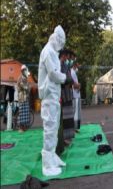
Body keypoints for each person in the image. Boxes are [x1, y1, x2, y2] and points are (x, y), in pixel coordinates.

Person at [38, 25, 69, 176]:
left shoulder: (53, 53)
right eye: (61, 43)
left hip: (54, 96)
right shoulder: (48, 52)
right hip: (49, 96)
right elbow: (53, 74)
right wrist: (65, 77)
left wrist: (61, 76)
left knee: (55, 127)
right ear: (56, 38)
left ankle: (52, 157)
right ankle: (47, 165)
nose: (62, 47)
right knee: (50, 128)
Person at [17, 65, 30, 132]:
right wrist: (27, 88)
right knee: (22, 113)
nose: (25, 71)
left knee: (26, 113)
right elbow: (24, 87)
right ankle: (20, 128)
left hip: (26, 97)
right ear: (21, 71)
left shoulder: (26, 78)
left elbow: (28, 87)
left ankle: (24, 127)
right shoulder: (20, 78)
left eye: (25, 69)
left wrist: (28, 88)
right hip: (22, 97)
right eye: (24, 70)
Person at [71, 61, 81, 132]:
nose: (78, 67)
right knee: (75, 112)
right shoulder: (72, 73)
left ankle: (75, 127)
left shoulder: (73, 72)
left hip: (76, 94)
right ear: (75, 65)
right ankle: (74, 127)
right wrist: (79, 85)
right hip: (75, 95)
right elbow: (74, 85)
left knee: (76, 112)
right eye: (77, 66)